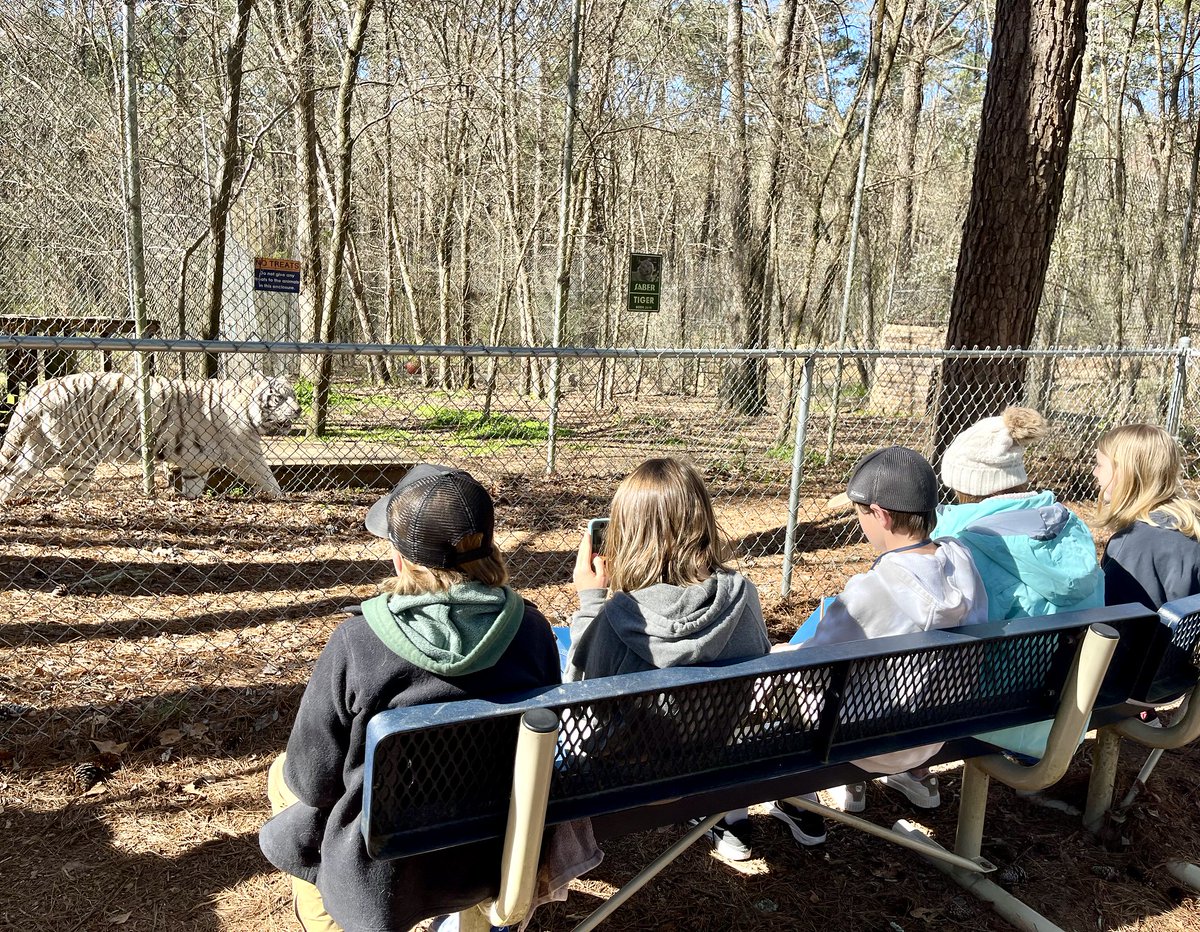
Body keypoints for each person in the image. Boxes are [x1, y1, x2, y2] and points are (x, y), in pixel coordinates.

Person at [259, 464, 561, 932]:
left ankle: (327, 920)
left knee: (283, 775)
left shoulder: (357, 643)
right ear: (487, 545)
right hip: (492, 858)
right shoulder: (533, 631)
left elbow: (313, 781)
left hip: (380, 878)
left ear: (401, 560)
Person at [773, 446, 988, 837]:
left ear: (883, 516)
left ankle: (794, 796)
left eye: (861, 515)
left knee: (779, 666)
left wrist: (785, 652)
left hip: (872, 739)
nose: (860, 525)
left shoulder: (874, 589)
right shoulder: (962, 562)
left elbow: (812, 666)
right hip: (937, 728)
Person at [564, 457, 770, 861]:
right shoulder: (744, 598)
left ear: (626, 535)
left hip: (631, 782)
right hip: (717, 764)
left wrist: (590, 602)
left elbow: (578, 707)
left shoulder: (616, 618)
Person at [934, 406, 1104, 620]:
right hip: (1076, 652)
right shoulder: (1068, 526)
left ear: (966, 485)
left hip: (999, 654)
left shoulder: (958, 545)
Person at [1094, 423, 1200, 609]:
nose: (1094, 472)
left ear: (1126, 472)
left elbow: (1117, 625)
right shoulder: (1190, 523)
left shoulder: (1131, 545)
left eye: (1100, 465)